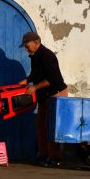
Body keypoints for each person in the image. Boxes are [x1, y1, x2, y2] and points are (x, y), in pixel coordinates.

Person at [17, 31, 68, 165]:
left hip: (56, 93)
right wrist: (27, 80)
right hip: (44, 95)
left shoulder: (47, 56)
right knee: (41, 125)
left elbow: (53, 78)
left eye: (27, 45)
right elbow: (35, 74)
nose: (25, 48)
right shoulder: (35, 56)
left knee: (51, 126)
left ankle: (55, 158)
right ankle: (44, 154)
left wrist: (34, 87)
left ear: (36, 42)